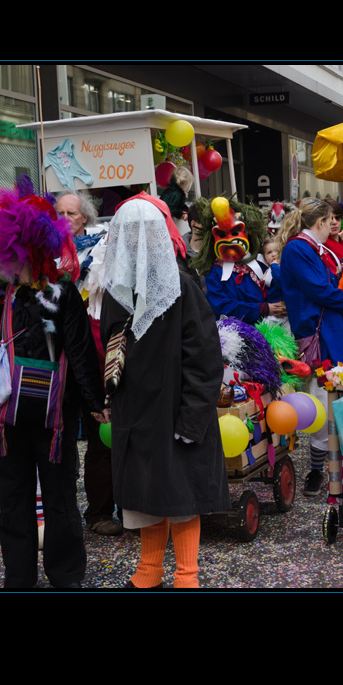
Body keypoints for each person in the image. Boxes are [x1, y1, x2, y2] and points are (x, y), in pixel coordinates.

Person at [0, 177, 108, 588]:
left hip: (8, 417)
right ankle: (65, 575)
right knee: (58, 497)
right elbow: (82, 353)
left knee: (15, 501)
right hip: (53, 418)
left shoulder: (2, 296)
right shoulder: (62, 293)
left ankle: (19, 577)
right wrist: (93, 401)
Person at [100, 194, 230, 589]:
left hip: (175, 412)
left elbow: (206, 361)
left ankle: (186, 577)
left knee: (181, 495)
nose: (136, 242)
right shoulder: (117, 292)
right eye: (129, 233)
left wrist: (192, 418)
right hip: (137, 414)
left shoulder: (184, 289)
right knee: (146, 497)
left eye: (144, 233)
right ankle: (149, 572)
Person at [280, 198, 343, 496]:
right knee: (319, 403)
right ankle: (318, 470)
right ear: (318, 222)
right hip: (317, 336)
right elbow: (319, 289)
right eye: (330, 219)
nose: (334, 225)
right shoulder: (298, 249)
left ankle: (333, 468)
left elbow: (334, 283)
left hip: (334, 333)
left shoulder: (317, 249)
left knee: (335, 398)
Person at [54, 190, 119, 536]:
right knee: (60, 440)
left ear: (85, 218)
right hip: (57, 355)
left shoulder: (103, 247)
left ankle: (100, 512)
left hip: (94, 349)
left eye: (71, 213)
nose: (65, 218)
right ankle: (62, 514)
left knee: (101, 434)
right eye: (59, 212)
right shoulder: (44, 251)